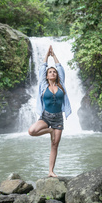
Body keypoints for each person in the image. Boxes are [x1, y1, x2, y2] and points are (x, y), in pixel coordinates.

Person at [28, 45, 72, 178]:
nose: (53, 73)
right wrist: (47, 54)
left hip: (58, 119)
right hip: (45, 117)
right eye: (50, 72)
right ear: (46, 76)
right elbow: (42, 68)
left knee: (54, 145)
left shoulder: (61, 85)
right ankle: (49, 130)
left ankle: (51, 171)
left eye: (54, 72)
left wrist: (54, 56)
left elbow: (60, 68)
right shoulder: (43, 85)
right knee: (31, 131)